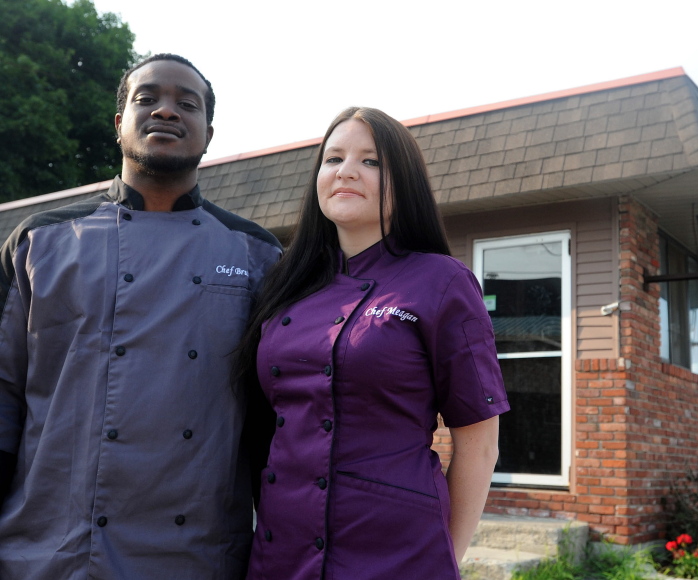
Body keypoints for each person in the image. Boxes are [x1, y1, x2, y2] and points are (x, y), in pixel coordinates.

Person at [0, 53, 282, 579]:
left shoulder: (256, 253)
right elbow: (3, 399)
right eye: (146, 98)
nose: (166, 111)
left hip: (197, 553)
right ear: (118, 124)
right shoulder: (40, 243)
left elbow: (274, 423)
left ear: (209, 132)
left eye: (186, 103)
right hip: (51, 551)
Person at [235, 107, 508, 580]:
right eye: (333, 158)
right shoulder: (284, 287)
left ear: (402, 181)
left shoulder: (441, 282)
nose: (346, 171)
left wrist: (445, 557)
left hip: (397, 551)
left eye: (371, 161)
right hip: (281, 551)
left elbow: (479, 445)